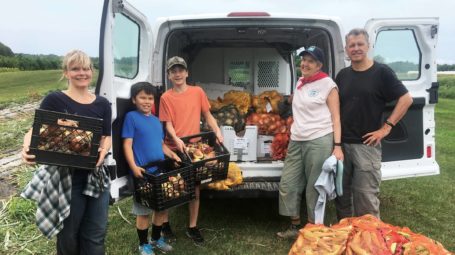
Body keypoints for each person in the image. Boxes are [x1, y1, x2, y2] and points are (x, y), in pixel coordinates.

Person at [21, 49, 112, 255]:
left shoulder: (102, 103)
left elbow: (107, 135)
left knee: (96, 233)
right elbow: (35, 130)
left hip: (96, 175)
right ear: (66, 72)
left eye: (86, 68)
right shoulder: (54, 100)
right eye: (76, 69)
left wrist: (104, 150)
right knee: (69, 235)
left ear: (92, 71)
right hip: (66, 179)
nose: (82, 73)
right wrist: (26, 148)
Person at [335, 28, 413, 220]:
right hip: (342, 146)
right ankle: (346, 238)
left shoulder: (381, 72)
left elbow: (406, 99)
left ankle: (370, 244)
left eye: (360, 44)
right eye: (352, 45)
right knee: (342, 196)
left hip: (366, 147)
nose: (356, 48)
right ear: (346, 49)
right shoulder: (342, 75)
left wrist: (386, 128)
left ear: (368, 46)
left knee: (365, 199)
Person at [277, 46, 344, 239]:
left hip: (319, 139)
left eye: (310, 61)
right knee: (288, 184)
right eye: (303, 60)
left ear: (319, 65)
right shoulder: (300, 82)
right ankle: (295, 226)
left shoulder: (328, 85)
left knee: (314, 187)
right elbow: (298, 102)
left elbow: (336, 118)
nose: (304, 64)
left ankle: (313, 231)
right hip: (297, 139)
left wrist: (337, 146)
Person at [159, 56, 223, 244]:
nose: (177, 74)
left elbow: (207, 115)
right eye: (173, 71)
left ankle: (192, 226)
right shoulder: (165, 97)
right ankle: (165, 224)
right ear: (169, 75)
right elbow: (168, 125)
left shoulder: (197, 92)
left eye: (180, 70)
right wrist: (176, 138)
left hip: (194, 148)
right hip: (174, 147)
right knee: (172, 187)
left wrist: (217, 130)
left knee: (194, 188)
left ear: (187, 73)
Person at [122, 82, 180, 255]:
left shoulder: (156, 121)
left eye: (150, 98)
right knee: (144, 211)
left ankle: (156, 239)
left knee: (161, 208)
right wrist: (133, 167)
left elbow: (161, 145)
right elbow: (127, 144)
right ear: (134, 99)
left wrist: (173, 155)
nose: (147, 101)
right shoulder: (131, 117)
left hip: (160, 172)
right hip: (144, 173)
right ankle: (143, 244)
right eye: (142, 98)